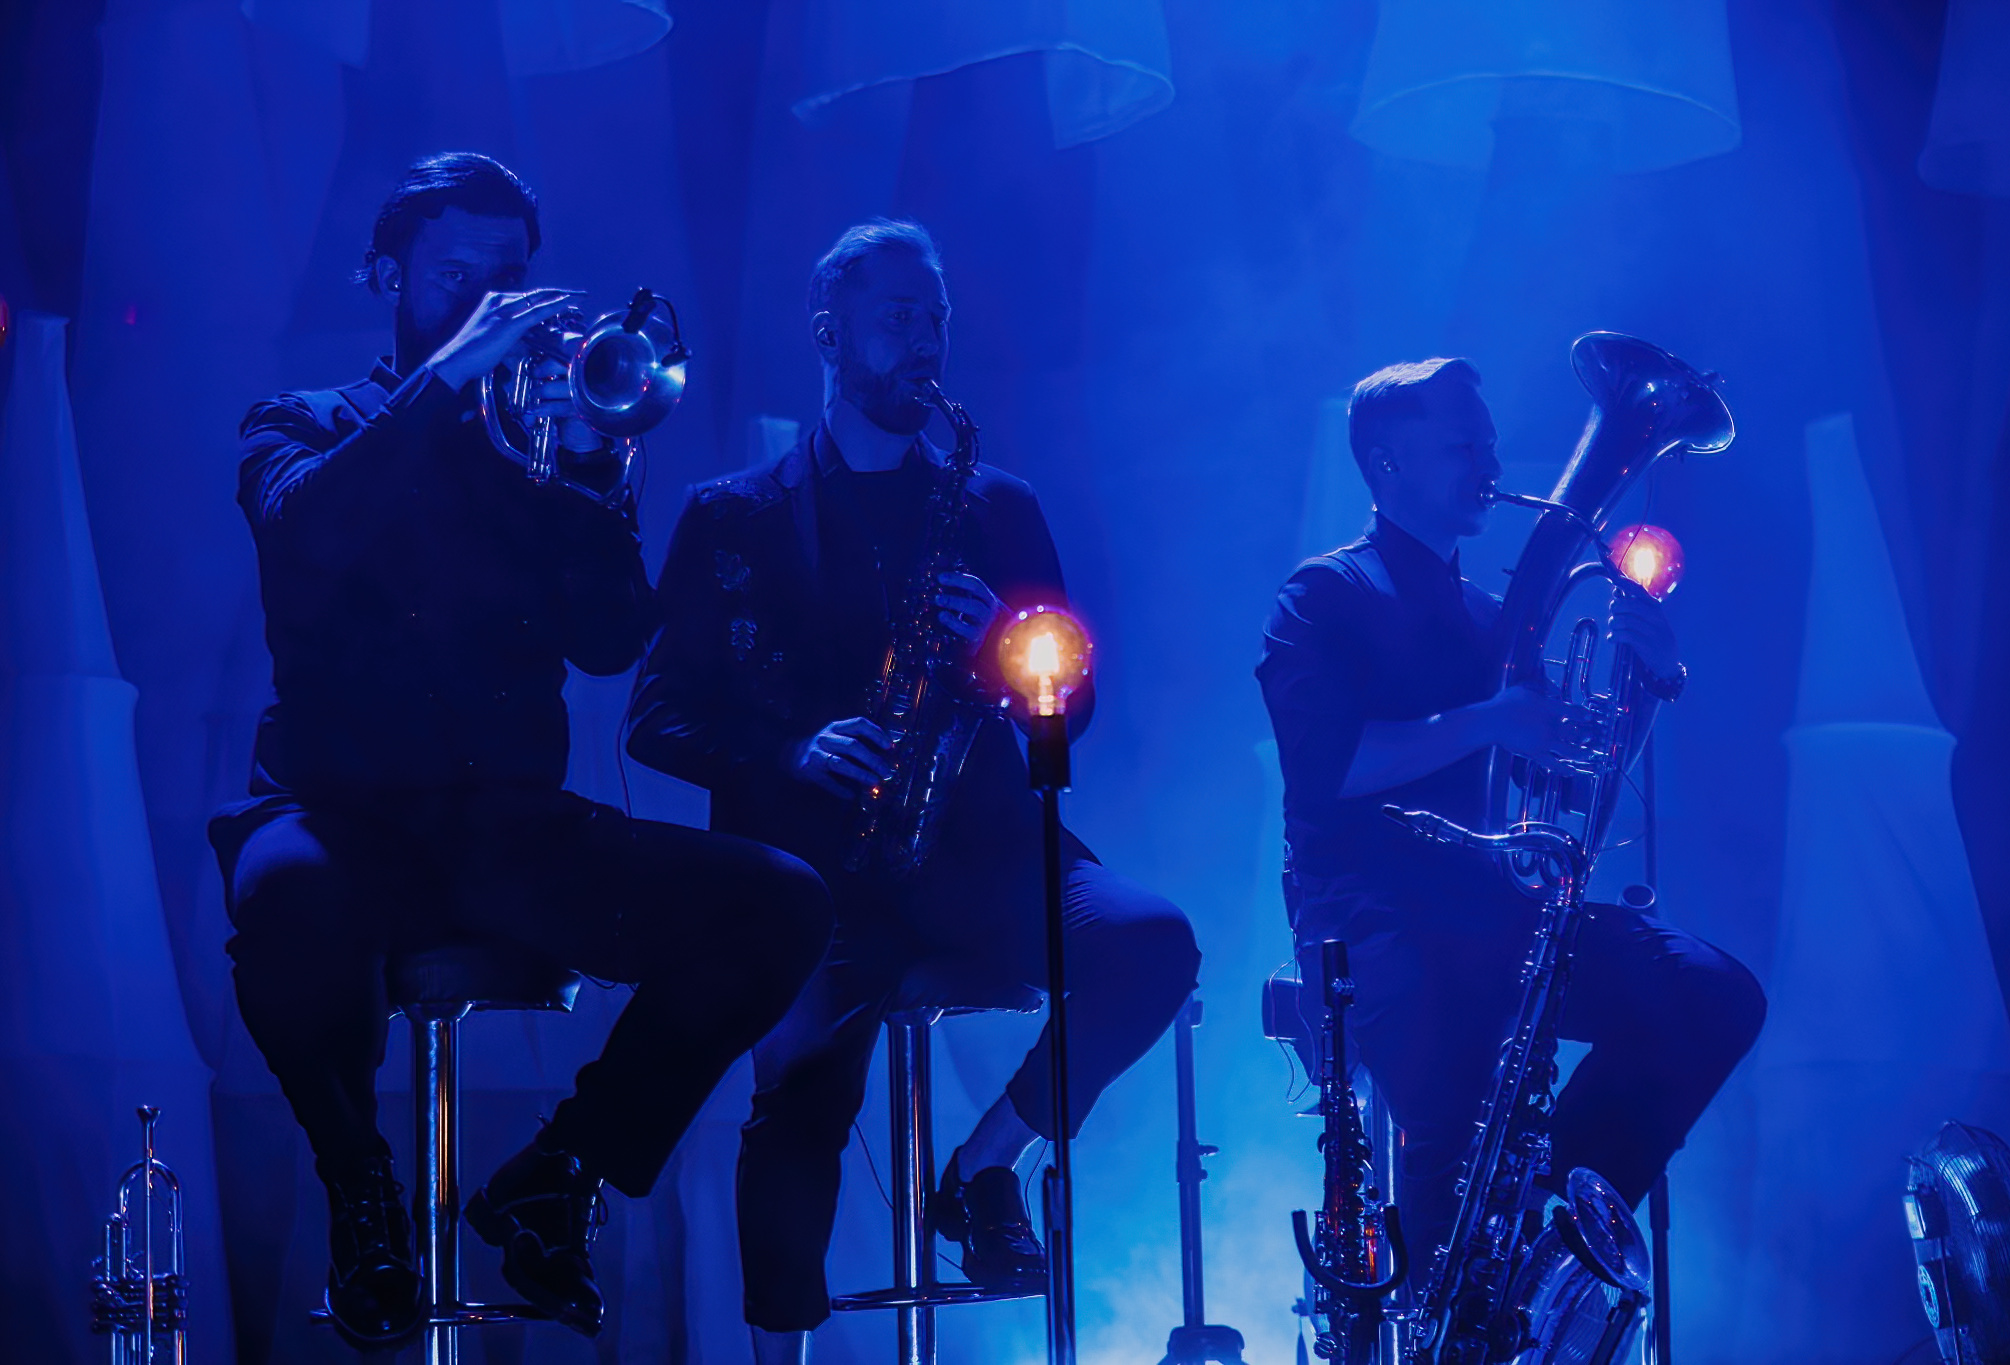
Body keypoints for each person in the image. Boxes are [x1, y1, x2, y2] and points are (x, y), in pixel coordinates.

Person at [210, 152, 832, 1350]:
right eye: (457, 277)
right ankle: (362, 1195)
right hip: (336, 811)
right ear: (385, 276)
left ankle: (561, 1173)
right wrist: (448, 380)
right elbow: (304, 539)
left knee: (780, 904)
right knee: (281, 902)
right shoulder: (299, 425)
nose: (488, 305)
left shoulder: (539, 450)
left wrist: (592, 471)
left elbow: (609, 642)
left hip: (501, 826)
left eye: (508, 280)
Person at [629, 219, 1201, 1364]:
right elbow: (654, 718)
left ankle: (982, 1167)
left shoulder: (999, 507)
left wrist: (1005, 649)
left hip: (979, 853)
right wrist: (791, 752)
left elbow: (1071, 708)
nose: (925, 341)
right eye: (899, 318)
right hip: (815, 879)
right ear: (827, 333)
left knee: (1152, 945)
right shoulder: (732, 514)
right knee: (797, 1098)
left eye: (935, 318)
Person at [1256, 357, 1766, 1269]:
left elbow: (1575, 784)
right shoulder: (1325, 594)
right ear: (1388, 462)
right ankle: (1467, 1272)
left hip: (1493, 912)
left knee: (1711, 996)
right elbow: (1328, 767)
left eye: (1488, 443)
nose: (1490, 462)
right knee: (1458, 1114)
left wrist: (1650, 682)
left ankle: (1545, 1241)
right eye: (1465, 445)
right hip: (1374, 920)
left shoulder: (1494, 615)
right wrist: (1491, 718)